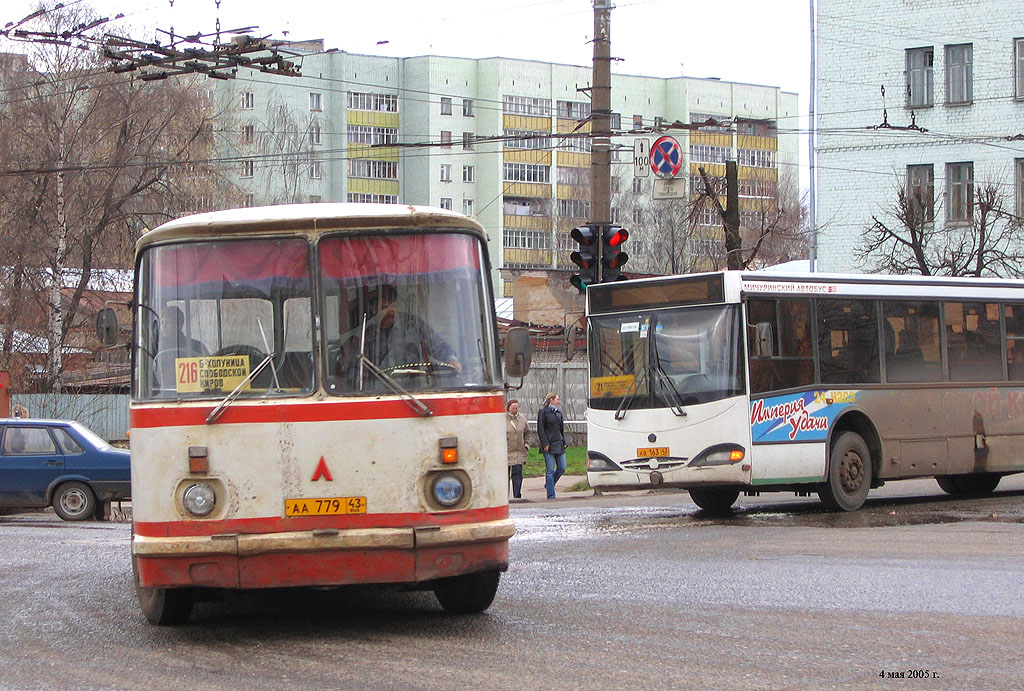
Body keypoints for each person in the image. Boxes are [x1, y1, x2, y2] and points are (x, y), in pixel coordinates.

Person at [343, 284, 461, 386]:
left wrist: (451, 360)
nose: (391, 311)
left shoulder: (414, 324)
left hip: (416, 392)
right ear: (374, 310)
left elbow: (437, 345)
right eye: (385, 307)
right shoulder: (366, 333)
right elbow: (356, 371)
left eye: (394, 306)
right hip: (378, 394)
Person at [537, 392, 567, 499]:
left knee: (562, 467)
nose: (559, 401)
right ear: (551, 400)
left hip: (559, 443)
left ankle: (549, 484)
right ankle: (551, 494)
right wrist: (545, 443)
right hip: (549, 444)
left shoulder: (558, 412)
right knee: (550, 469)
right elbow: (540, 429)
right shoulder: (543, 412)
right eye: (557, 399)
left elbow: (561, 428)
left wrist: (564, 441)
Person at [505, 399, 529, 500]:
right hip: (505, 452)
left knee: (517, 474)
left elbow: (527, 432)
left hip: (519, 451)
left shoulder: (522, 419)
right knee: (504, 476)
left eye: (516, 408)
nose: (515, 410)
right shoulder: (502, 418)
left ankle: (517, 495)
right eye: (513, 408)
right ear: (508, 408)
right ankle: (504, 496)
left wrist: (526, 444)